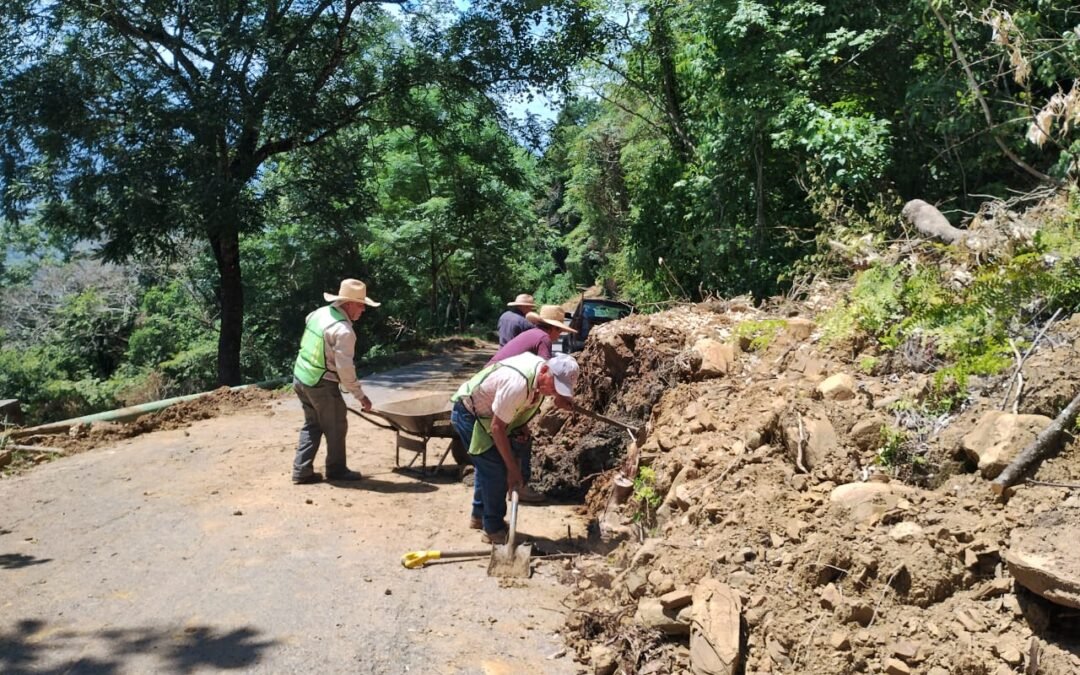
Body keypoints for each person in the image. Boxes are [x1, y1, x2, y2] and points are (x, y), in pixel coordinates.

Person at [450, 353, 580, 544]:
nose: (553, 391)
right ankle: (493, 529)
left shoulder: (539, 378)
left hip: (489, 416)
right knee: (496, 470)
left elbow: (518, 408)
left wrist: (524, 425)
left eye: (559, 389)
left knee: (488, 469)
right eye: (553, 385)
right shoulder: (518, 383)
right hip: (470, 414)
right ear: (545, 370)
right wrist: (512, 470)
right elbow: (497, 427)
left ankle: (479, 517)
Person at [485, 305, 578, 503]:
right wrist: (559, 397)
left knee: (506, 437)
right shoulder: (542, 338)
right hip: (506, 386)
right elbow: (547, 375)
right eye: (559, 330)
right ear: (552, 328)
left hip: (494, 381)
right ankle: (519, 485)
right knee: (520, 439)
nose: (558, 335)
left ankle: (484, 506)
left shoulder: (532, 333)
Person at [291, 279, 379, 485]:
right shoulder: (344, 331)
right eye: (360, 304)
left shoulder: (319, 313)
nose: (363, 309)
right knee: (336, 425)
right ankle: (336, 470)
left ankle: (301, 471)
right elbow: (345, 370)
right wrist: (361, 396)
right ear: (347, 304)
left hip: (301, 376)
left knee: (313, 424)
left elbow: (309, 326)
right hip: (321, 382)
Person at [487, 304, 576, 364]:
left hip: (491, 373)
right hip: (497, 378)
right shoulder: (544, 338)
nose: (558, 337)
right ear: (553, 328)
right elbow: (545, 369)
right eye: (560, 332)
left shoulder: (533, 333)